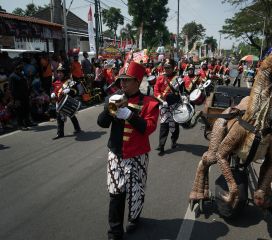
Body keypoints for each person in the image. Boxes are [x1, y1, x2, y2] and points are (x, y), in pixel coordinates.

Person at [97, 61, 159, 240]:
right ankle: (115, 232)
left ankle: (134, 218)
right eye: (120, 80)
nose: (122, 84)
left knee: (136, 191)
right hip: (116, 154)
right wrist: (110, 109)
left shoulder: (149, 102)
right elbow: (101, 123)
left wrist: (129, 115)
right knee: (115, 193)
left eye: (126, 80)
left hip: (138, 155)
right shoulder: (113, 97)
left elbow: (148, 128)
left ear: (138, 81)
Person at [154, 58, 183, 156]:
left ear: (173, 68)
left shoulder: (178, 78)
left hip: (175, 104)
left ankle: (174, 141)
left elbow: (182, 92)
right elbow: (156, 91)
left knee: (175, 124)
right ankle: (161, 145)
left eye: (169, 67)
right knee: (164, 124)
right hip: (164, 104)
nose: (167, 69)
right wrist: (162, 101)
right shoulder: (160, 78)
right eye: (165, 67)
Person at [51, 64, 82, 139]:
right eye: (58, 72)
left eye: (61, 72)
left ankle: (77, 128)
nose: (59, 74)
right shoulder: (56, 82)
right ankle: (60, 133)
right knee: (59, 118)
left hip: (68, 102)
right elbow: (55, 91)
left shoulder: (70, 82)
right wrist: (53, 94)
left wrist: (69, 90)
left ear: (65, 73)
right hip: (59, 102)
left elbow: (76, 92)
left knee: (72, 115)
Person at [9, 61, 35, 130]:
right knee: (19, 111)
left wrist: (29, 93)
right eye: (19, 66)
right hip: (18, 97)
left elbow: (26, 85)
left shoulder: (21, 74)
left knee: (26, 109)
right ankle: (20, 125)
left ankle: (27, 122)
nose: (21, 68)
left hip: (25, 96)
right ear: (15, 68)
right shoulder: (12, 77)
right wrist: (15, 99)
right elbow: (12, 89)